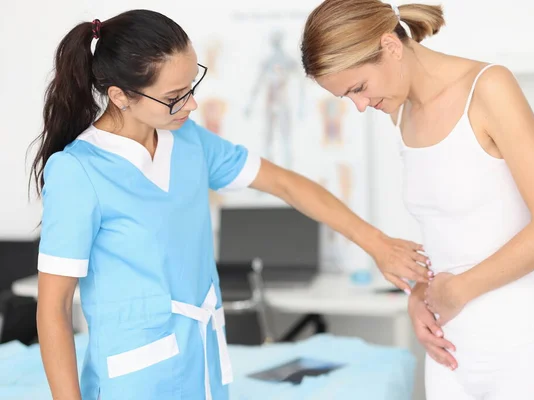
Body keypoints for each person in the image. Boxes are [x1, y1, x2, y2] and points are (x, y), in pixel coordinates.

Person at [30, 9, 432, 400]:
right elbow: (54, 308)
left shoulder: (188, 142)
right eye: (174, 96)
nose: (191, 105)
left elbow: (286, 184)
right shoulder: (77, 172)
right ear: (119, 96)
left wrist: (377, 243)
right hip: (134, 380)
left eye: (192, 86)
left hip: (204, 364)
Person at [300, 1, 534, 399]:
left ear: (390, 46)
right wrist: (419, 295)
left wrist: (459, 290)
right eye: (348, 97)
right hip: (451, 356)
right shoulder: (401, 114)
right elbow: (452, 232)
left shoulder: (488, 88)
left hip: (526, 349)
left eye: (359, 88)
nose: (361, 106)